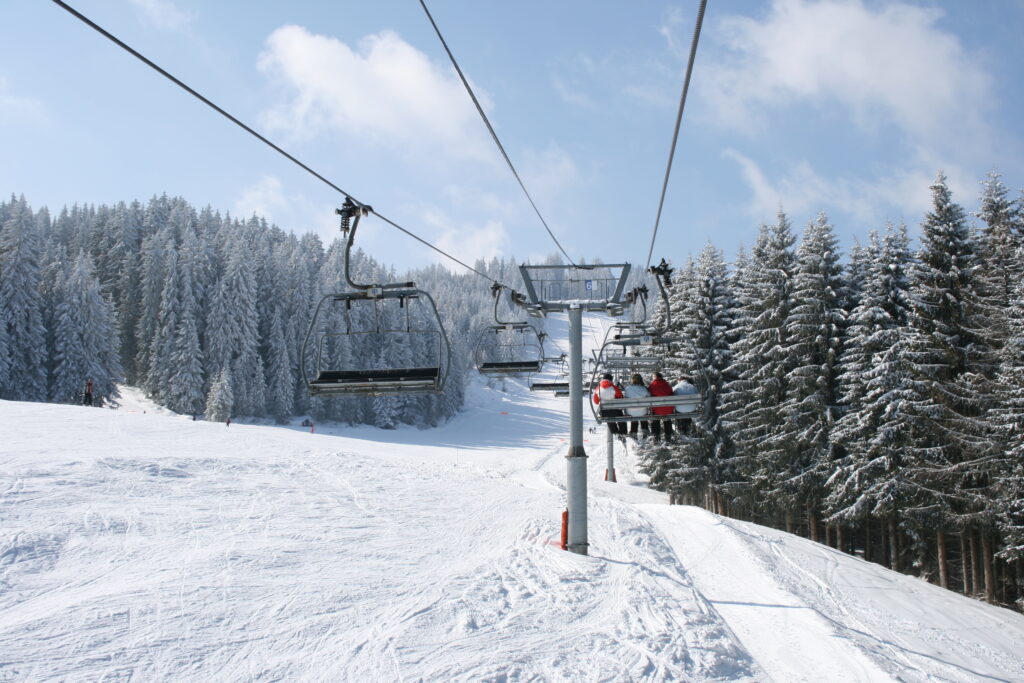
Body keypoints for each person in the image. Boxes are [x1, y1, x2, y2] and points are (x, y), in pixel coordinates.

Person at [647, 372, 675, 439]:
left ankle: (656, 436)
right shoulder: (667, 385)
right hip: (668, 410)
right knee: (667, 418)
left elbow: (647, 394)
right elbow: (671, 393)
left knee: (655, 417)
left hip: (656, 410)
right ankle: (668, 435)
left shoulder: (652, 385)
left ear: (655, 377)